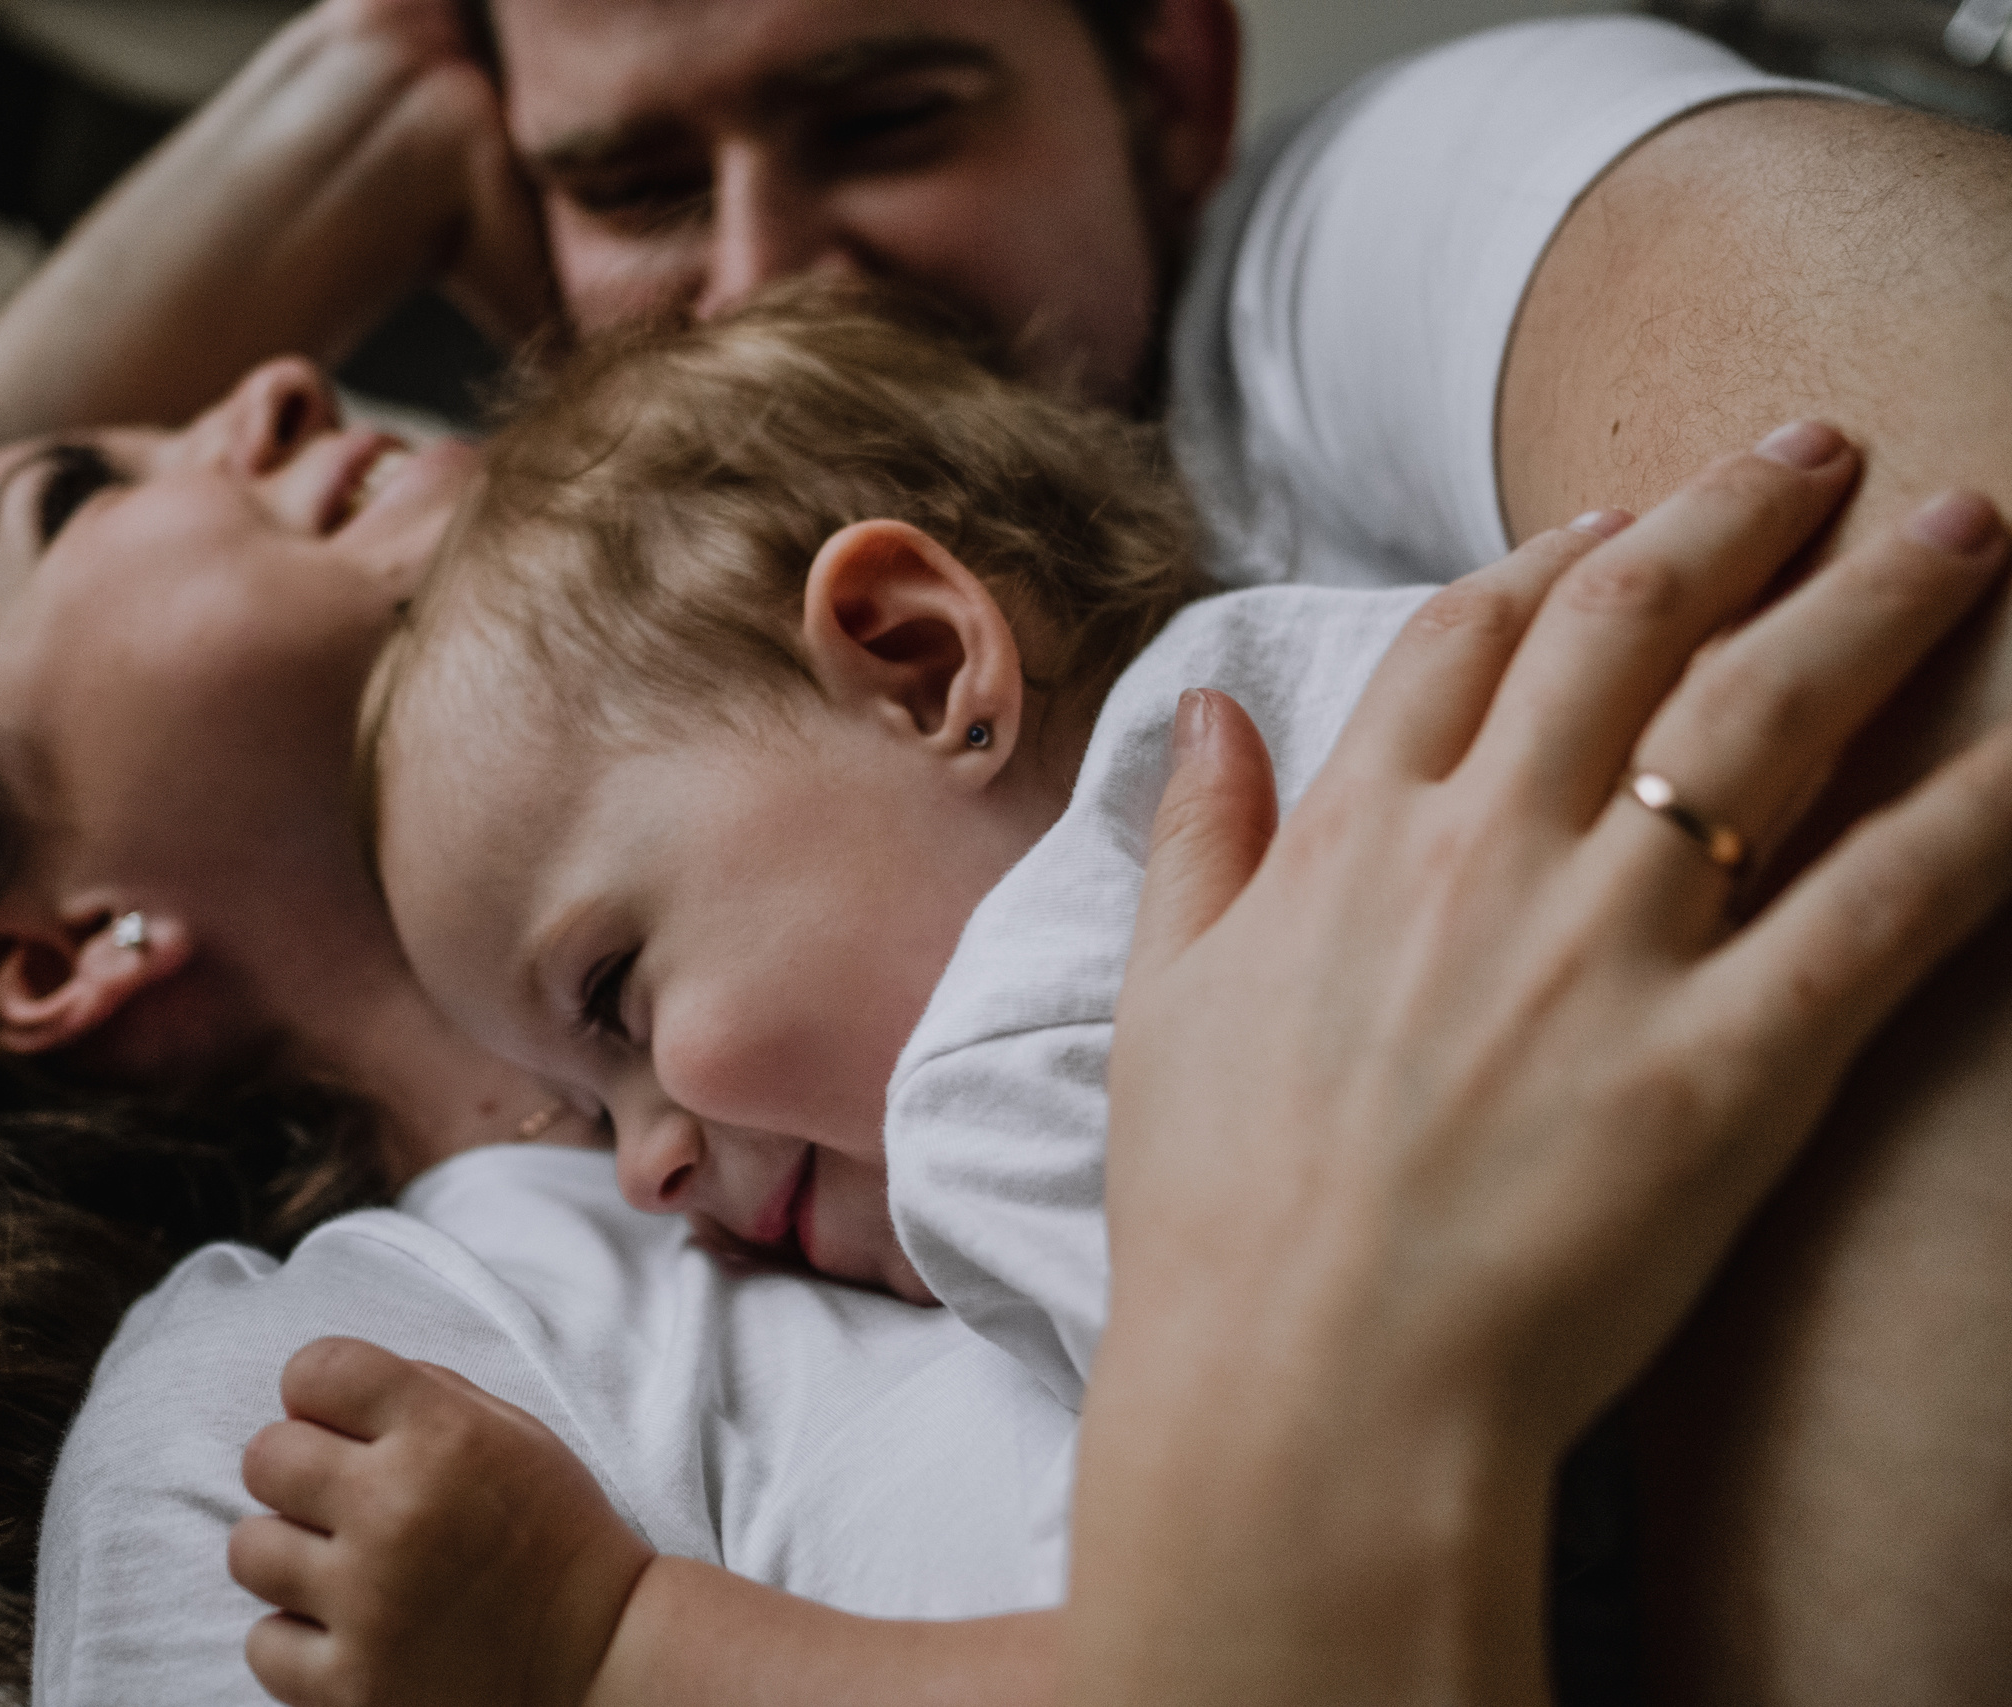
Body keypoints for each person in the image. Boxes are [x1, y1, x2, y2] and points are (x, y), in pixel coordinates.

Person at [0, 3, 2008, 1680]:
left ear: (1171, 81)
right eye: (624, 182)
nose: (751, 272)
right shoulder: (309, 1379)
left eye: (884, 113)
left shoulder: (1015, 1034)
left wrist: (628, 1650)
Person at [219, 307, 2012, 1705]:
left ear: (918, 660)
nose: (643, 1176)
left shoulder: (1010, 1067)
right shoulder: (1345, 660)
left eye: (613, 996)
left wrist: (615, 1648)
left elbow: (1245, 1650)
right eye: (583, 1108)